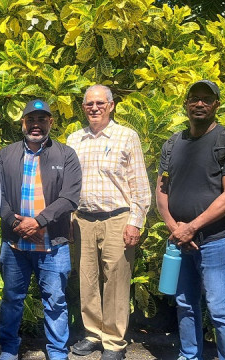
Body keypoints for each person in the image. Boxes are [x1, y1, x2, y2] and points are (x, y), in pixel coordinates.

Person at [156, 80, 225, 360]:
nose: (199, 104)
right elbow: (161, 191)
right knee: (184, 303)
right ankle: (189, 355)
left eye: (206, 99)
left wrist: (192, 228)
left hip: (215, 240)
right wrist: (175, 228)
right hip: (180, 241)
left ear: (216, 105)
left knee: (220, 310)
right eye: (194, 98)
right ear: (185, 104)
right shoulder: (173, 144)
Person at [66, 85, 151, 360]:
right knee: (87, 279)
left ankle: (114, 342)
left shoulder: (127, 137)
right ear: (83, 107)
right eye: (89, 103)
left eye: (100, 103)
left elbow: (139, 184)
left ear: (111, 105)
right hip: (82, 219)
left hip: (117, 218)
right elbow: (68, 185)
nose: (94, 107)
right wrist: (68, 218)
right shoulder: (74, 139)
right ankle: (92, 334)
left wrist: (135, 222)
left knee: (116, 281)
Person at [0, 99, 81, 360]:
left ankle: (57, 352)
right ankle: (9, 349)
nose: (36, 125)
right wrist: (14, 222)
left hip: (53, 244)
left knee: (55, 301)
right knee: (11, 299)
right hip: (15, 244)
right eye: (30, 119)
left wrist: (38, 221)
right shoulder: (6, 154)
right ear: (22, 122)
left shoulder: (66, 155)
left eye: (42, 119)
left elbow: (70, 196)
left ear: (51, 123)